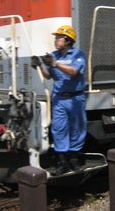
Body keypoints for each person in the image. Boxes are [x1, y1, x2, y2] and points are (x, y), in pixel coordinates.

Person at [31, 25, 87, 175]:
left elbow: (74, 71)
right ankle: (62, 161)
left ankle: (74, 159)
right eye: (56, 38)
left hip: (76, 98)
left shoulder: (77, 54)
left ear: (68, 40)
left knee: (77, 128)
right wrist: (39, 66)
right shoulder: (53, 55)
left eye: (58, 38)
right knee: (59, 128)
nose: (55, 40)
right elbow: (48, 76)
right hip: (59, 98)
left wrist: (55, 64)